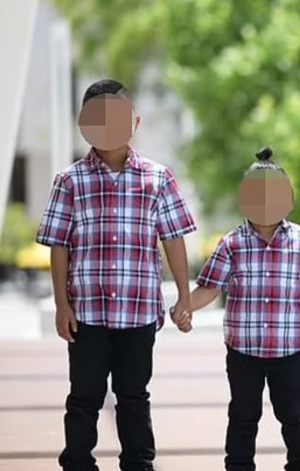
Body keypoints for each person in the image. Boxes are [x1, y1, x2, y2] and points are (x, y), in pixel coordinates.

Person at [173, 147, 300, 471]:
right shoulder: (232, 243)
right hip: (244, 350)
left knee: (294, 415)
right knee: (243, 416)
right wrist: (185, 307)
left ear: (290, 199)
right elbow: (209, 289)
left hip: (290, 350)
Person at [36, 79, 197, 471]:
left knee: (134, 397)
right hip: (86, 313)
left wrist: (184, 296)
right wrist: (62, 305)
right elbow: (59, 245)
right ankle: (77, 462)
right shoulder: (69, 181)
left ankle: (139, 464)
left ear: (135, 122)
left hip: (138, 311)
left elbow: (173, 239)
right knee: (84, 396)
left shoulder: (158, 178)